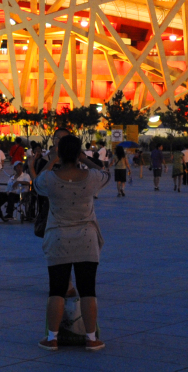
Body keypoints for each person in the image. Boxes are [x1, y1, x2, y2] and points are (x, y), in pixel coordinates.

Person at [29, 135, 110, 352]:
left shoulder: (50, 179)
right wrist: (86, 159)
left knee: (56, 290)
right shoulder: (91, 177)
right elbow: (105, 173)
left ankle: (52, 338)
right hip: (86, 239)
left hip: (58, 238)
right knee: (87, 290)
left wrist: (53, 160)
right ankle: (91, 339)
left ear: (60, 153)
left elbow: (36, 183)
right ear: (78, 153)